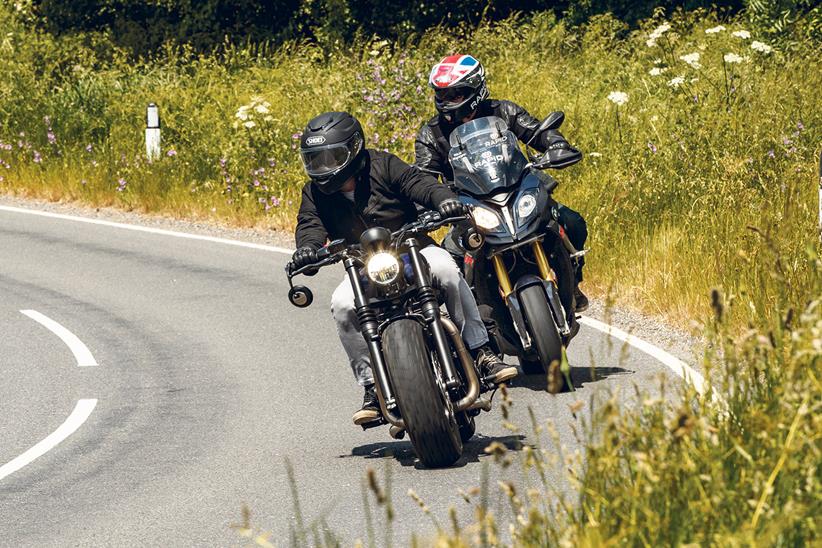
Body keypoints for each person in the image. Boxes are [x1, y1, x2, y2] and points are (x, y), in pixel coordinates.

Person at [291, 111, 517, 425]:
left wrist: (445, 201)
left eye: (331, 157)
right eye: (315, 160)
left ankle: (480, 350)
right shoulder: (313, 192)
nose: (323, 167)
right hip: (362, 265)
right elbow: (310, 225)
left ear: (354, 150)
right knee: (342, 305)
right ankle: (372, 386)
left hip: (412, 247)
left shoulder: (383, 165)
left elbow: (420, 184)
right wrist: (307, 249)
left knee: (449, 271)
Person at [415, 54, 589, 311]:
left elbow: (536, 131)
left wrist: (556, 143)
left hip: (519, 191)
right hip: (469, 208)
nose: (446, 102)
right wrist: (429, 202)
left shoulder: (504, 111)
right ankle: (474, 330)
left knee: (572, 222)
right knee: (447, 262)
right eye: (441, 95)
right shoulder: (431, 134)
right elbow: (424, 175)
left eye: (454, 94)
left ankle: (573, 282)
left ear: (475, 89)